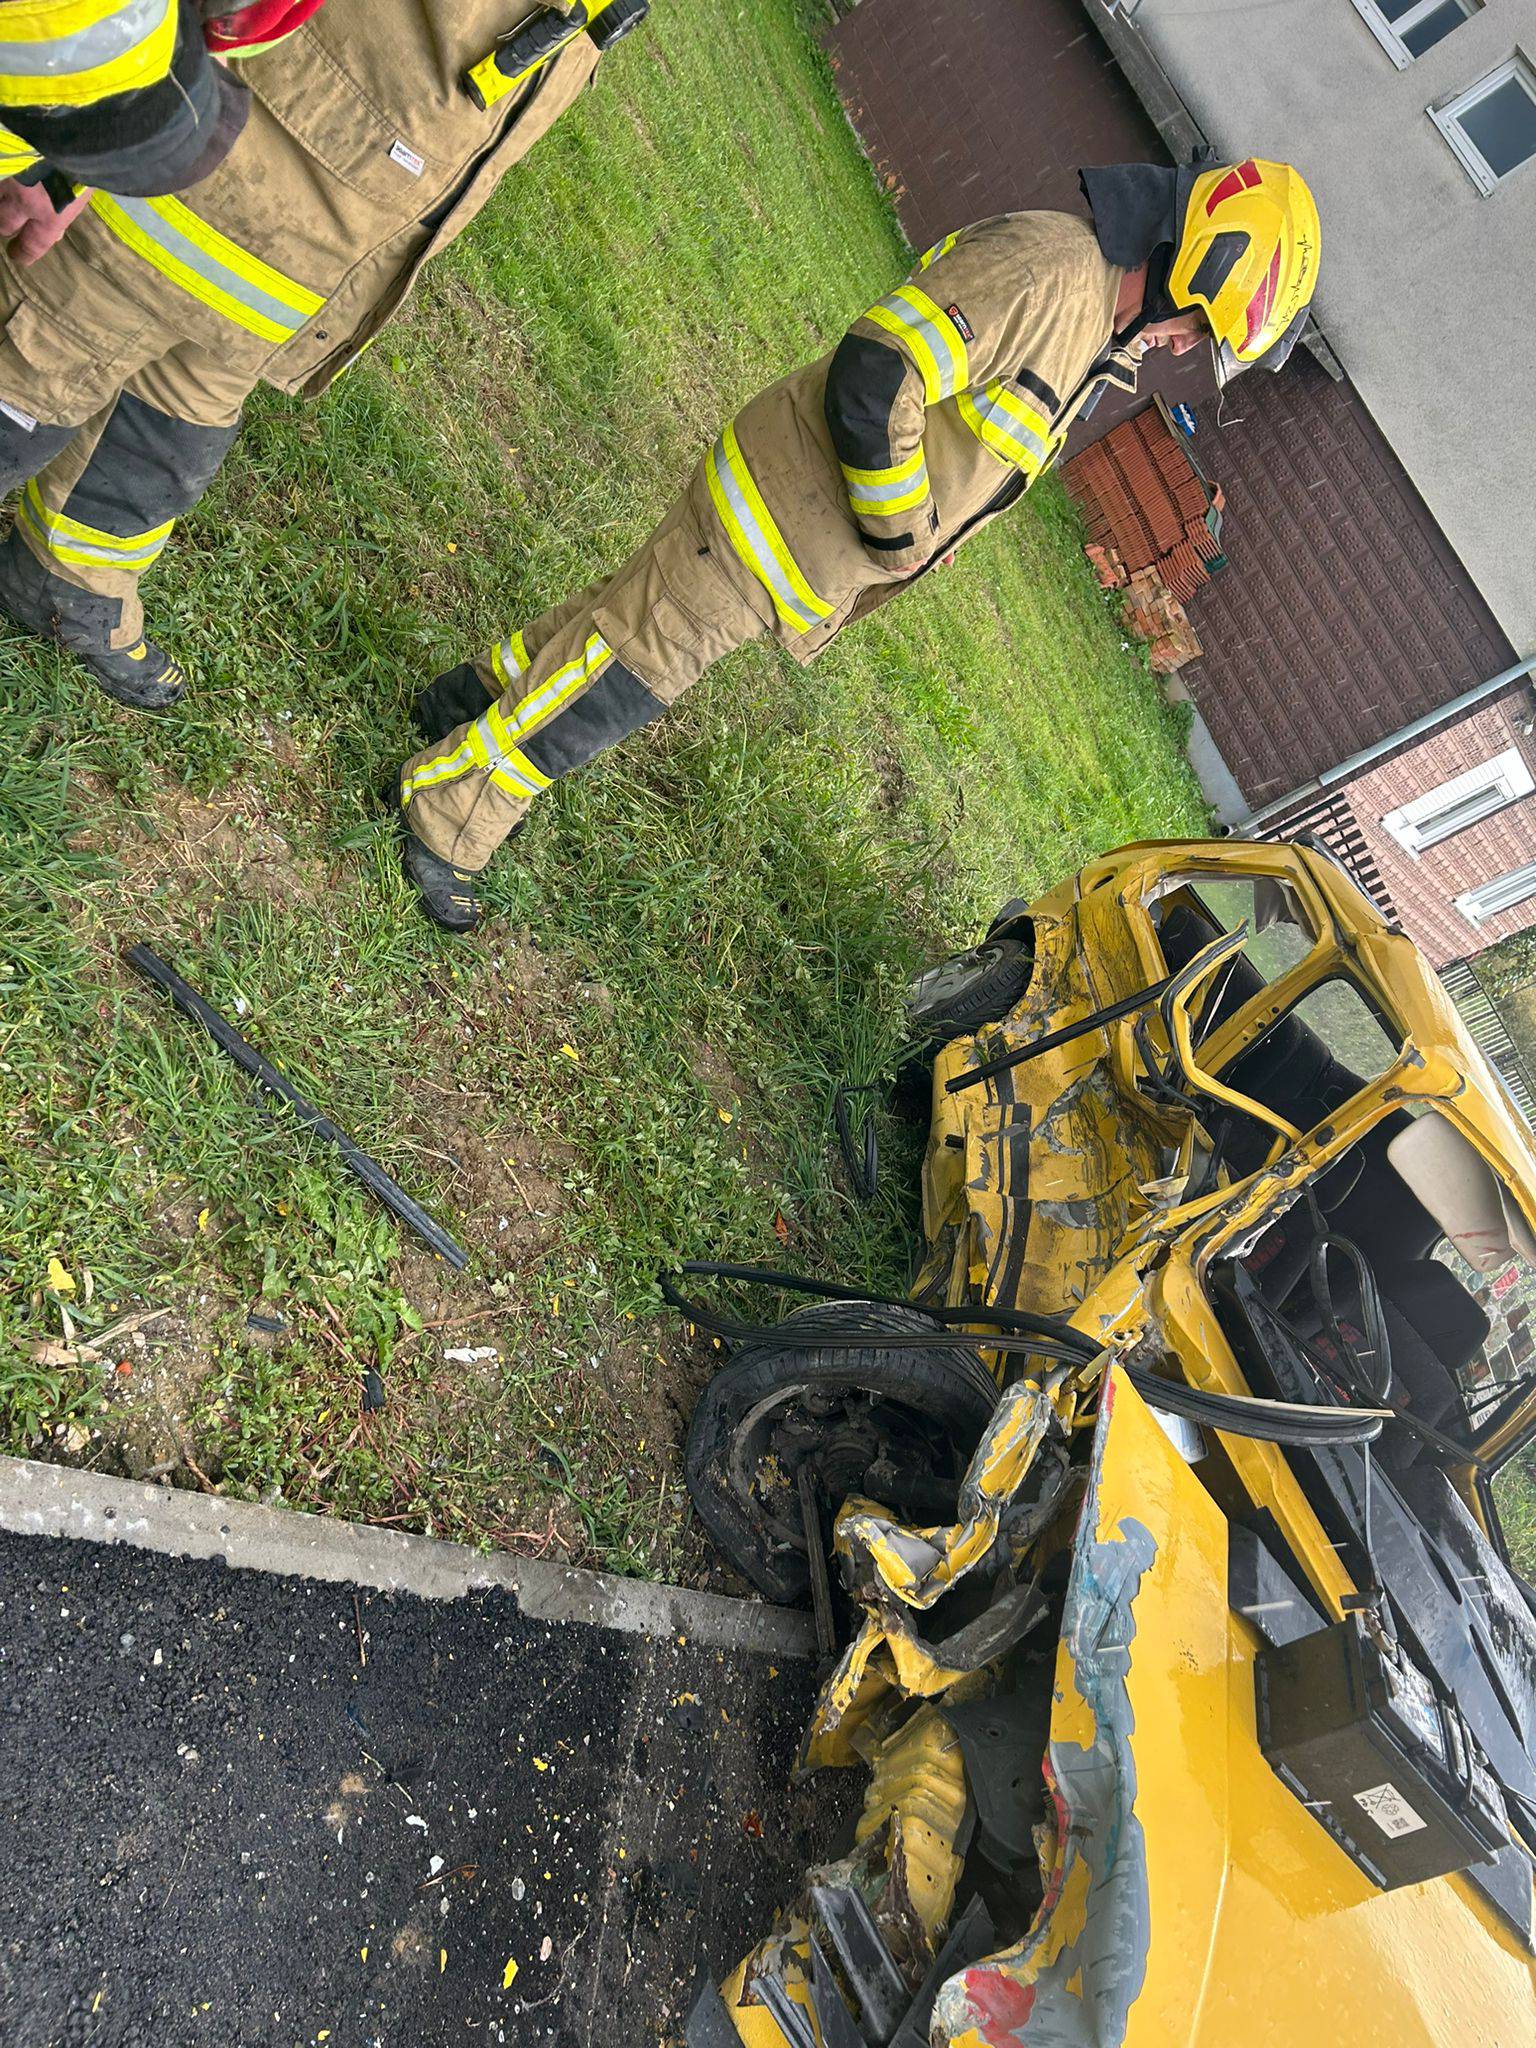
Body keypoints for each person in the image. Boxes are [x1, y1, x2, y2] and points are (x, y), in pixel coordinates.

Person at [393, 155, 1320, 933]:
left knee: (622, 614)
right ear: (1182, 272)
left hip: (785, 521)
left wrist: (939, 527)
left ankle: (465, 697)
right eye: (1196, 328)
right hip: (775, 520)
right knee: (626, 673)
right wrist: (905, 528)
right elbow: (877, 375)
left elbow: (965, 433)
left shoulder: (1094, 336)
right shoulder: (1049, 275)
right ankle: (448, 814)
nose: (1179, 348)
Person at [0, 0, 649, 708]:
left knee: (195, 395)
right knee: (56, 338)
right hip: (229, 117)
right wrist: (79, 117)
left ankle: (72, 579)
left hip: (344, 188)